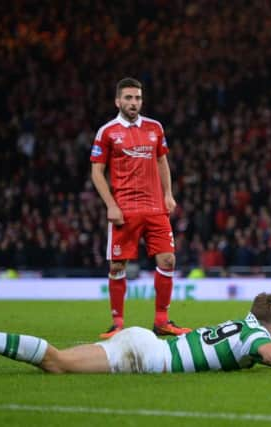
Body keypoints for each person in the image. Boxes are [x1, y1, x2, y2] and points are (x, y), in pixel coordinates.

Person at [0, 293, 271, 376]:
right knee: (56, 363)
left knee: (59, 365)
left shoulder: (244, 323)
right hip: (146, 357)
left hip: (145, 344)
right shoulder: (257, 341)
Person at [90, 77, 191, 338]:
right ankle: (118, 324)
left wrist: (168, 194)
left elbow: (161, 162)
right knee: (117, 266)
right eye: (128, 98)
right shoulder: (107, 132)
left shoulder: (154, 127)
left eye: (137, 98)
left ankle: (162, 321)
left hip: (156, 207)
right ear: (118, 101)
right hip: (124, 209)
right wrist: (110, 204)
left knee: (168, 259)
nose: (133, 102)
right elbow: (97, 172)